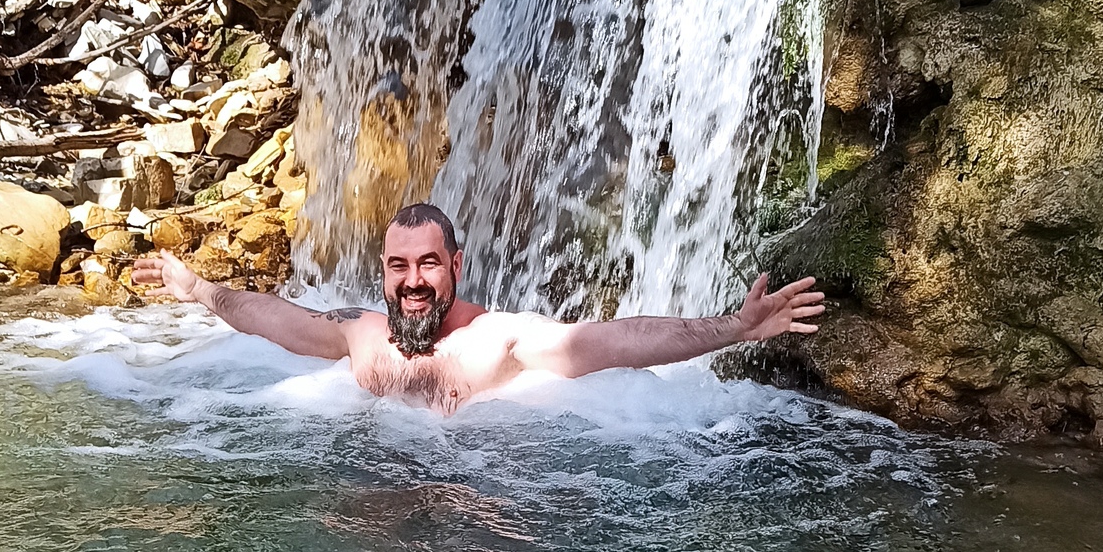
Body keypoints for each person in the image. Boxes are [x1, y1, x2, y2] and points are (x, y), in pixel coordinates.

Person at [129, 200, 827, 415]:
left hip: (470, 510)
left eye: (428, 264)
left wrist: (733, 328)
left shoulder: (500, 340)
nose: (413, 281)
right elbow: (273, 317)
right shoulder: (362, 336)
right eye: (399, 266)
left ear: (455, 265)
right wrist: (198, 291)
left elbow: (612, 340)